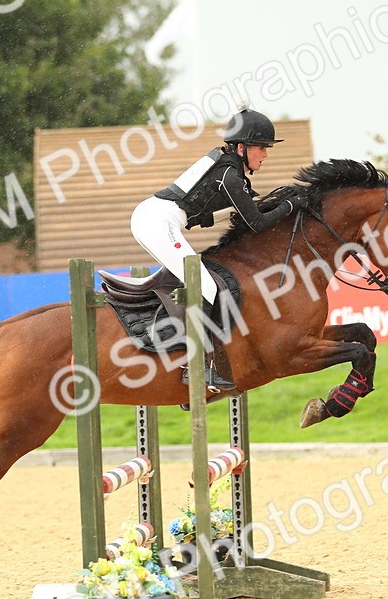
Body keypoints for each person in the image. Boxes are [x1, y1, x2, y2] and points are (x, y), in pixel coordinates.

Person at [130, 108, 308, 390]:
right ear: (241, 147)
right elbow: (257, 223)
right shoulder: (229, 175)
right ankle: (196, 365)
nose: (265, 155)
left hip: (157, 218)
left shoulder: (227, 168)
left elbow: (221, 214)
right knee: (207, 287)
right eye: (261, 148)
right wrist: (290, 205)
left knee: (202, 284)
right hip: (157, 221)